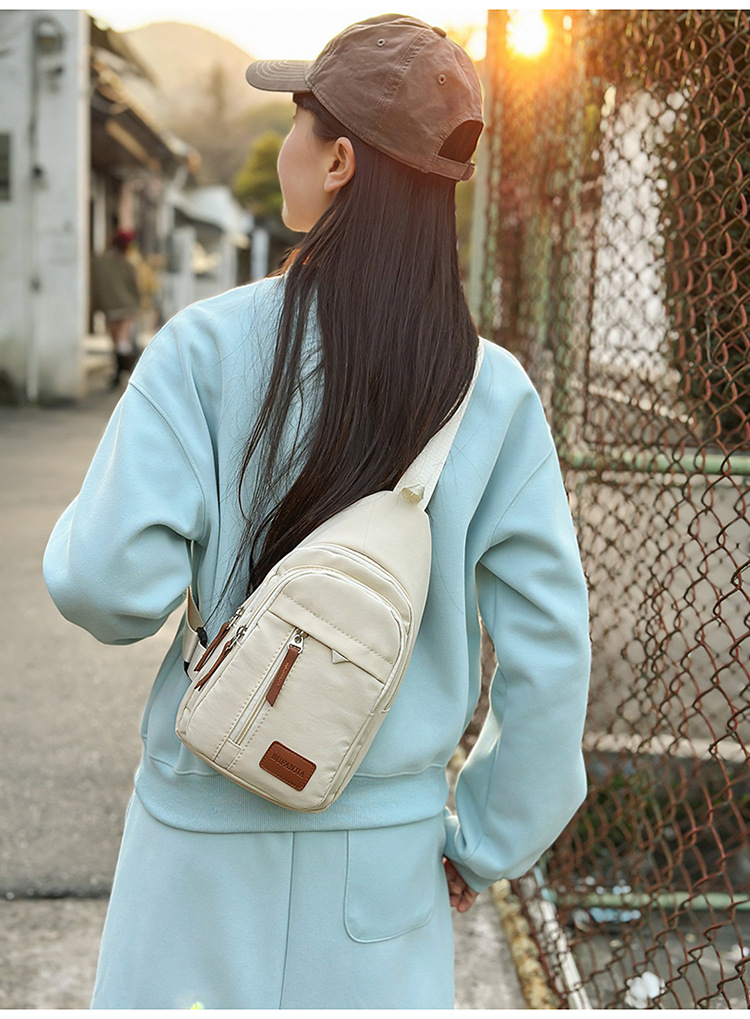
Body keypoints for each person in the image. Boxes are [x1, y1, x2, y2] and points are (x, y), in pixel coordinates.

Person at [43, 14, 590, 1009]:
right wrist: (487, 838)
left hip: (197, 844)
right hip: (384, 865)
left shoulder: (203, 349)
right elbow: (550, 655)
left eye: (297, 122)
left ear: (339, 161)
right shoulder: (495, 393)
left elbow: (108, 587)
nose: (284, 147)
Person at [90, 228, 141, 387]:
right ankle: (130, 375)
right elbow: (134, 287)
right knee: (123, 342)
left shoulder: (99, 262)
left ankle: (119, 374)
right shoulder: (127, 264)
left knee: (117, 342)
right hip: (126, 307)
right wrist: (137, 303)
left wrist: (97, 305)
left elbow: (96, 286)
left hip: (109, 307)